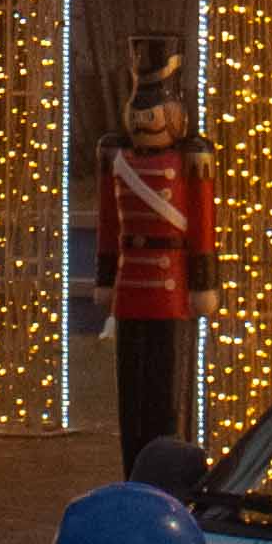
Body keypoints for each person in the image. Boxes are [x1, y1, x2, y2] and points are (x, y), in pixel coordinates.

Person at [90, 32, 217, 473]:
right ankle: (134, 464)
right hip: (131, 287)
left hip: (169, 287)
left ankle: (163, 466)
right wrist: (106, 278)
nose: (145, 117)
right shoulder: (117, 158)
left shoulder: (190, 161)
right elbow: (110, 224)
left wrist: (203, 282)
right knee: (132, 385)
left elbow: (201, 225)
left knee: (166, 385)